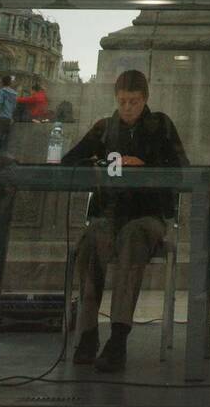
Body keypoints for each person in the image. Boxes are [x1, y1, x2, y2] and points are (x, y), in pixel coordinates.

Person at [61, 69, 189, 374]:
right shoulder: (104, 129)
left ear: (145, 100)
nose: (128, 108)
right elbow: (70, 160)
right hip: (109, 216)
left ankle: (118, 337)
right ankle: (88, 333)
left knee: (132, 238)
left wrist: (146, 166)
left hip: (149, 217)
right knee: (92, 243)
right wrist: (99, 164)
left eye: (133, 101)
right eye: (122, 102)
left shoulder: (161, 126)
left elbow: (182, 170)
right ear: (115, 100)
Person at [0, 74, 17, 156]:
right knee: (5, 138)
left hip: (1, 117)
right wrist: (11, 116)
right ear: (10, 83)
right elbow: (14, 106)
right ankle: (2, 155)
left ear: (2, 82)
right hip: (9, 118)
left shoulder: (2, 91)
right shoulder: (14, 94)